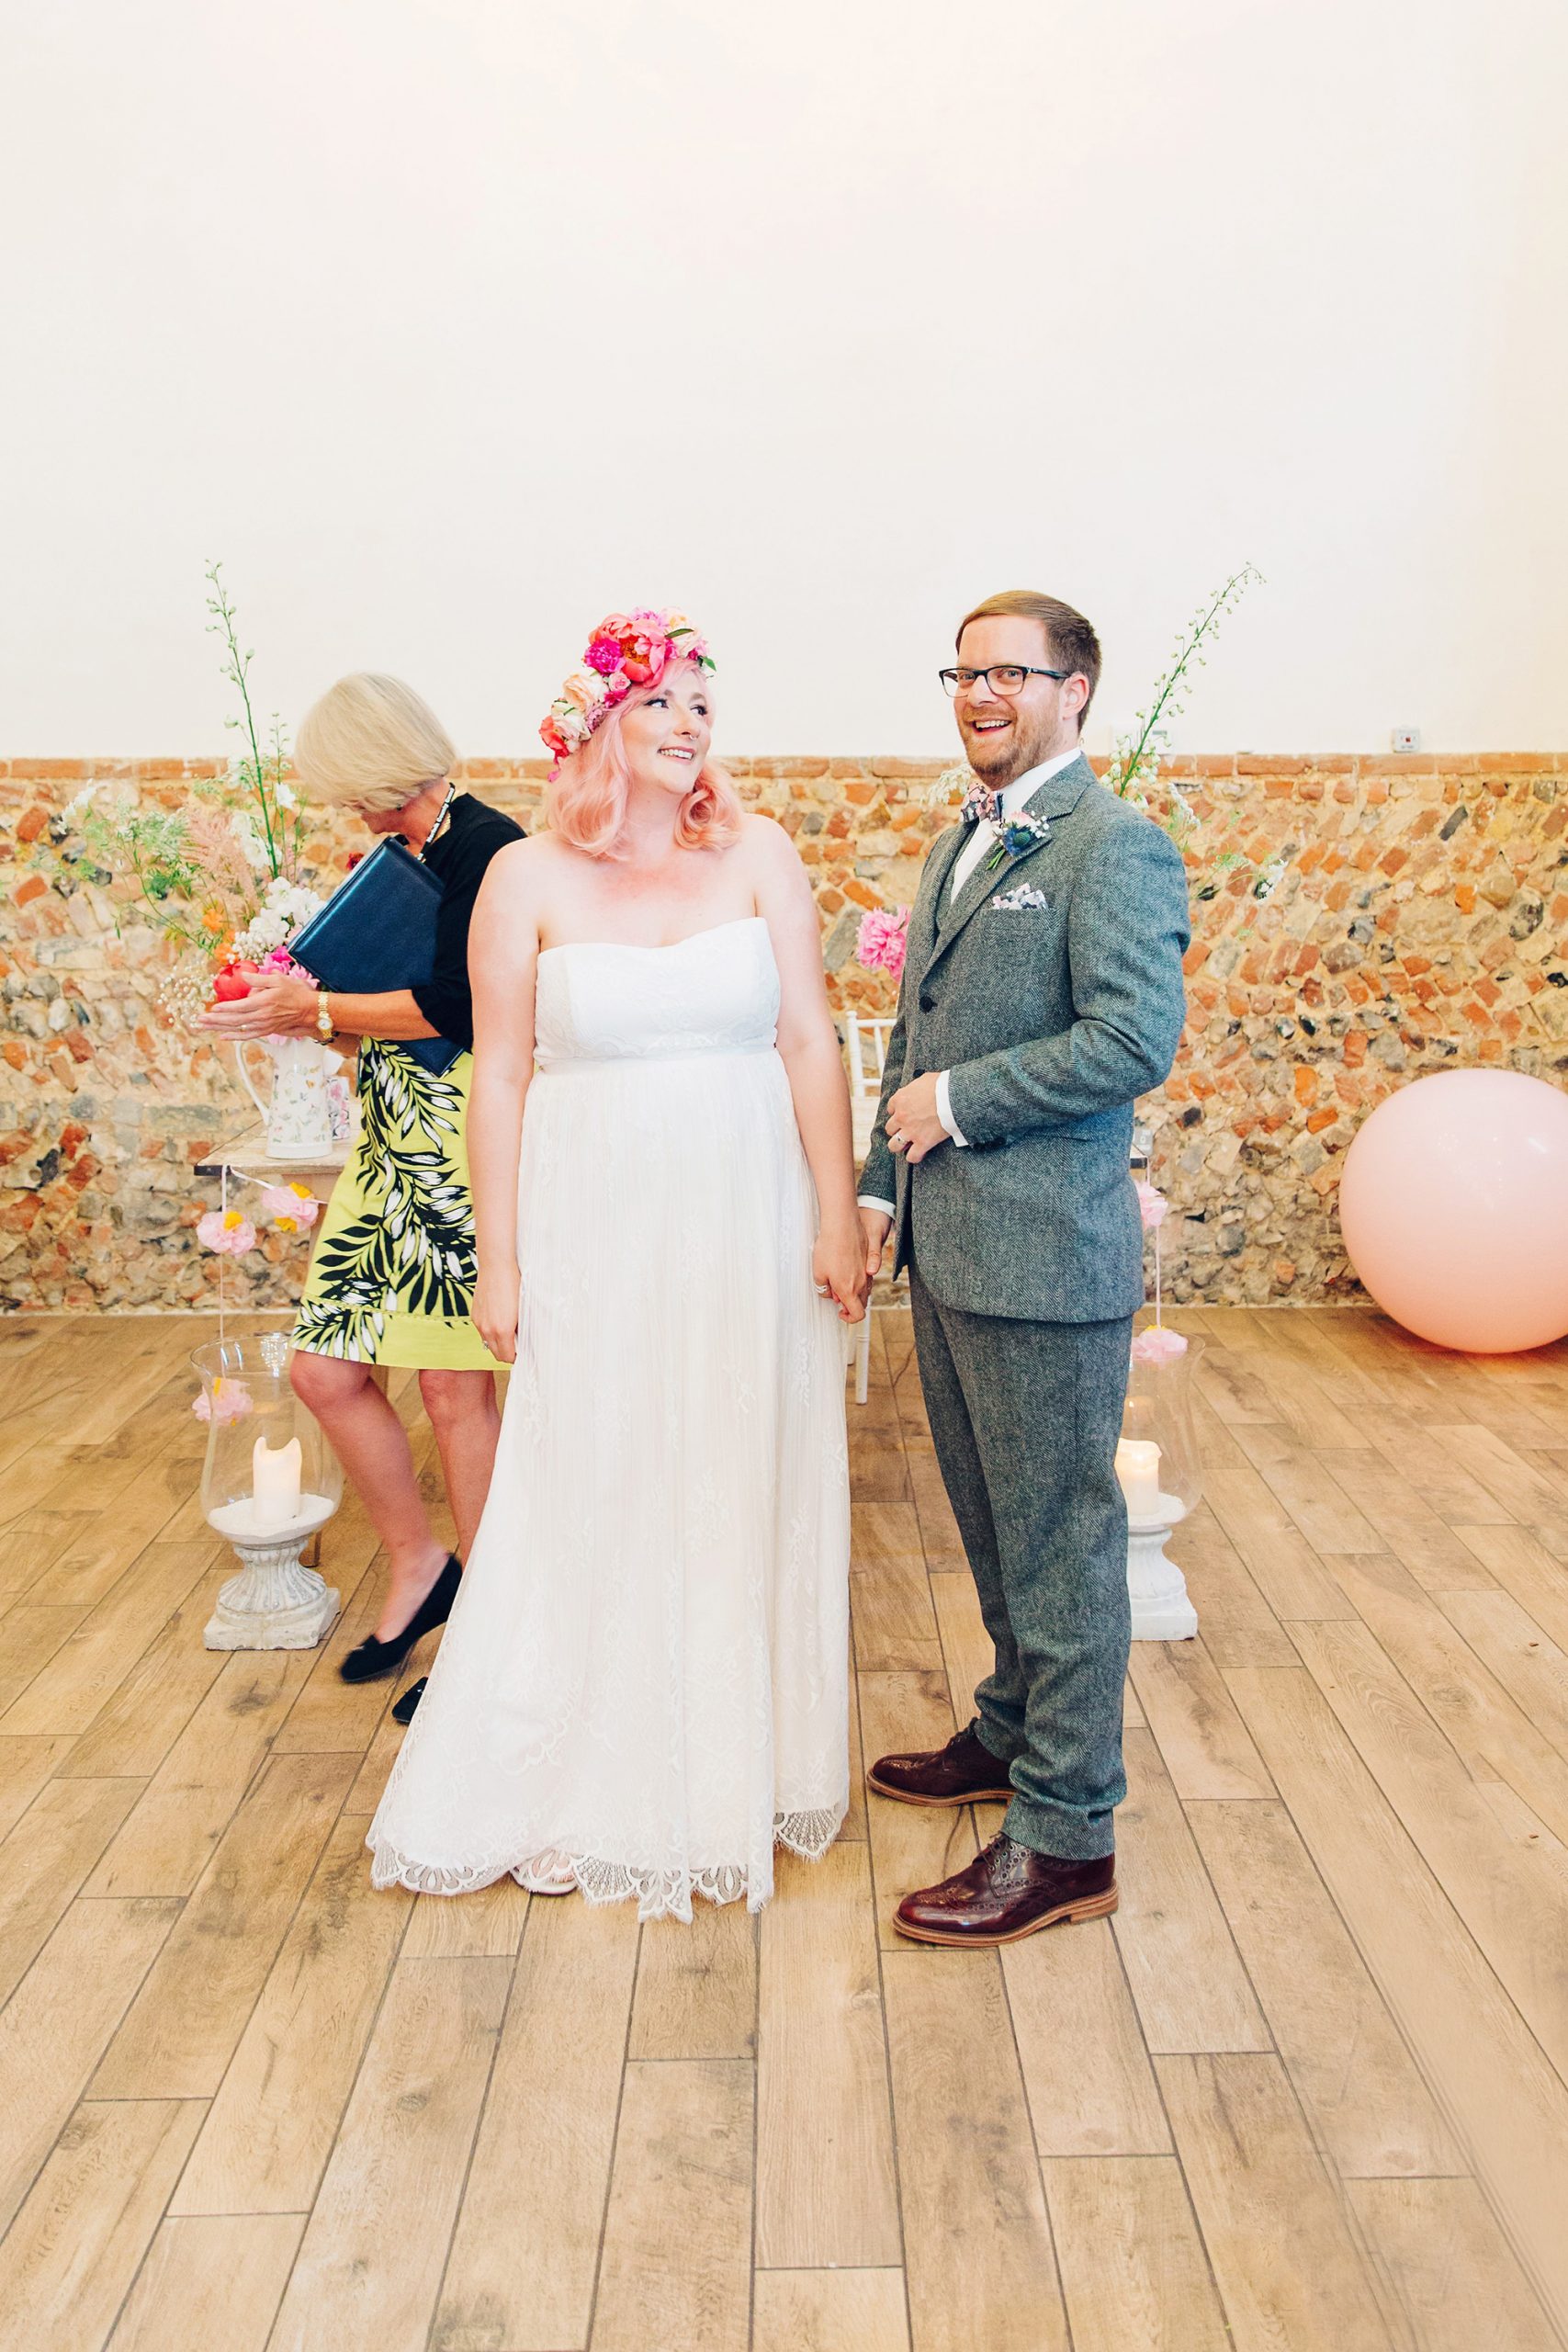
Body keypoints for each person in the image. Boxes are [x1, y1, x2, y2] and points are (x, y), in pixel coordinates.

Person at [367, 609, 863, 1917]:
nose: (690, 721)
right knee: (597, 1457)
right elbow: (503, 1076)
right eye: (660, 701)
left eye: (703, 699)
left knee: (732, 1455)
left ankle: (727, 1764)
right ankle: (577, 1765)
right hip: (592, 1211)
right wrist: (500, 1259)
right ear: (598, 724)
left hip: (744, 1205)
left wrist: (832, 1211)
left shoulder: (760, 852)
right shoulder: (521, 877)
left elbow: (809, 1041)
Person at [858, 590, 1190, 1947]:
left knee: (1059, 1542)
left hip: (1047, 1256)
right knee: (994, 1526)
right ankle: (1008, 1731)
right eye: (961, 670)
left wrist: (959, 1104)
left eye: (1009, 671)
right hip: (949, 1251)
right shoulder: (960, 838)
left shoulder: (1116, 846)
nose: (978, 692)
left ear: (1075, 691)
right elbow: (904, 1037)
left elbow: (1129, 1043)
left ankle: (1065, 1838)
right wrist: (884, 1188)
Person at [201, 674, 524, 1713]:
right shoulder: (410, 856)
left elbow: (465, 1007)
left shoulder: (490, 845)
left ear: (382, 767)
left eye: (351, 787)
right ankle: (423, 1563)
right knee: (323, 1369)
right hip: (393, 1130)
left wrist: (323, 1002)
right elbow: (395, 1011)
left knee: (452, 1387)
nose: (347, 808)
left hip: (458, 1132)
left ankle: (492, 1629)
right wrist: (308, 1016)